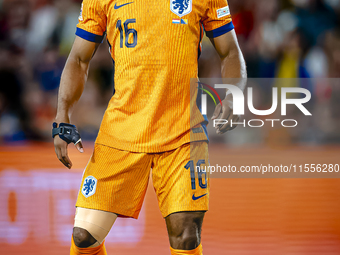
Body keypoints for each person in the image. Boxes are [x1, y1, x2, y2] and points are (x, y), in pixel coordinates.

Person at [53, 0, 246, 254]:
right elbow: (78, 58)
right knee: (84, 236)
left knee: (186, 235)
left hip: (182, 131)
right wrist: (62, 115)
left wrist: (234, 95)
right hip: (122, 130)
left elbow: (230, 51)